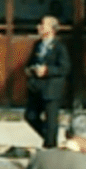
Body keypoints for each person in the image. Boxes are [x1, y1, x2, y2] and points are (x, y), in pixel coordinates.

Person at [24, 15, 70, 148]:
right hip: (37, 88)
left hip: (52, 88)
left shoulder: (59, 47)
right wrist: (31, 71)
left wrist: (48, 70)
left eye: (42, 25)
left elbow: (65, 67)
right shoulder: (37, 45)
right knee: (30, 116)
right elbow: (30, 62)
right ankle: (49, 139)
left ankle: (50, 145)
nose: (39, 27)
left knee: (51, 120)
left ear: (52, 29)